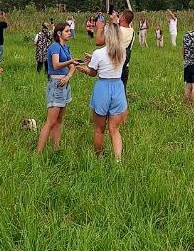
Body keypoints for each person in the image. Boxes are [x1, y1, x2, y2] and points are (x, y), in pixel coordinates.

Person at [75, 23, 128, 161]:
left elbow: (93, 72)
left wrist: (85, 68)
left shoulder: (98, 53)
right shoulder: (122, 52)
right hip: (118, 88)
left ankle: (99, 157)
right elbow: (109, 62)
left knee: (99, 129)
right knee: (114, 129)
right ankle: (118, 160)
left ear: (107, 35)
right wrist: (93, 59)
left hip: (103, 88)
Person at [37, 23, 75, 154]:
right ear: (59, 33)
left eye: (70, 31)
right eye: (67, 31)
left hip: (65, 84)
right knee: (51, 121)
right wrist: (70, 62)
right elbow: (56, 64)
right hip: (56, 84)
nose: (70, 33)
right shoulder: (54, 47)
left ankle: (56, 147)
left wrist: (68, 76)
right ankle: (38, 153)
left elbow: (72, 66)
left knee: (59, 119)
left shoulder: (66, 47)